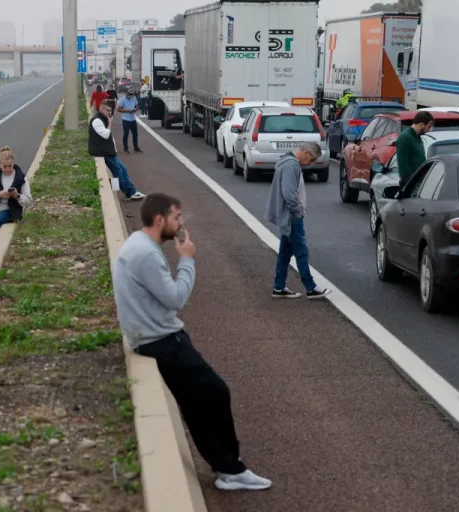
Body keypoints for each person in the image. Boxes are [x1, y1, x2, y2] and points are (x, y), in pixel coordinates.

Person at [112, 193, 272, 492]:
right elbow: (175, 299)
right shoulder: (146, 253)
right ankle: (231, 468)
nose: (181, 223)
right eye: (177, 217)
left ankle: (227, 467)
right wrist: (187, 261)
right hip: (161, 340)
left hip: (149, 336)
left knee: (197, 403)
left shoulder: (138, 243)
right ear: (160, 220)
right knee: (215, 392)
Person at [265, 143, 331, 299]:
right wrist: (298, 211)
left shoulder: (286, 161)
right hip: (292, 217)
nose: (311, 163)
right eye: (312, 159)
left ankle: (279, 287)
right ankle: (311, 287)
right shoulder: (291, 165)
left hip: (287, 215)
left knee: (285, 253)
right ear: (306, 152)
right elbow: (289, 193)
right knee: (301, 252)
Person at [0, 146, 32, 269]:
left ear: (13, 163)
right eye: (5, 167)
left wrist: (17, 195)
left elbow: (29, 201)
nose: (8, 169)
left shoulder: (21, 178)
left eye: (10, 166)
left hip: (10, 210)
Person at [88, 100, 145, 201]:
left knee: (123, 170)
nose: (110, 113)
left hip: (109, 151)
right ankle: (129, 192)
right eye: (108, 110)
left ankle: (131, 191)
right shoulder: (97, 121)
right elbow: (106, 135)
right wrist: (110, 123)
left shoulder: (102, 119)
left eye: (111, 111)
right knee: (118, 172)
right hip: (103, 152)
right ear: (101, 109)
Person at [395, 110, 434, 186]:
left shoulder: (417, 137)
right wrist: (410, 183)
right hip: (410, 185)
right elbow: (403, 164)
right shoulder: (405, 137)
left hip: (419, 182)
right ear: (422, 124)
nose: (428, 130)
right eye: (428, 127)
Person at [118, 89, 143, 154]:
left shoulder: (134, 98)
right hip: (126, 120)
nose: (131, 96)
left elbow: (137, 105)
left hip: (133, 119)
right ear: (127, 94)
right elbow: (119, 109)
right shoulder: (122, 100)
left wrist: (136, 109)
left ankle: (136, 148)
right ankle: (125, 148)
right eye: (130, 95)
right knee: (126, 134)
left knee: (135, 134)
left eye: (132, 95)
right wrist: (127, 111)